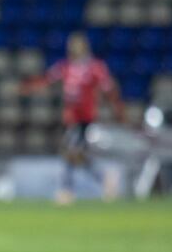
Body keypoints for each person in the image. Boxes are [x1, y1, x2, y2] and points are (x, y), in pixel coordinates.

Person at [20, 31, 124, 204]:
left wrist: (117, 109)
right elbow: (47, 80)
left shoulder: (95, 67)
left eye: (75, 44)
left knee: (69, 152)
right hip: (72, 118)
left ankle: (67, 190)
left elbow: (108, 88)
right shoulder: (65, 66)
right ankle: (104, 179)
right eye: (70, 44)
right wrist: (28, 88)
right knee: (75, 155)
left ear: (84, 46)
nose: (71, 47)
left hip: (85, 118)